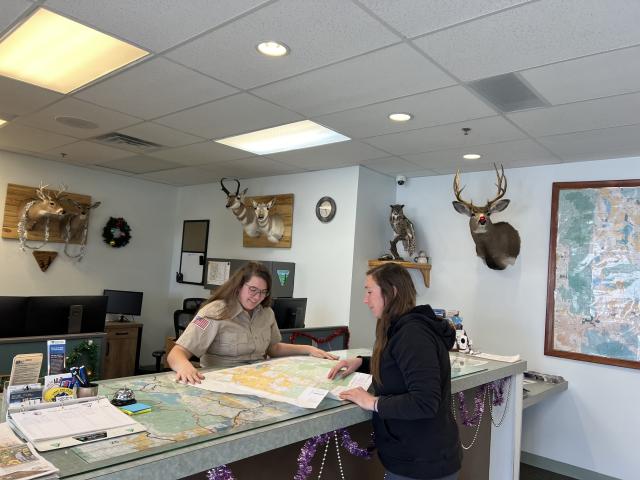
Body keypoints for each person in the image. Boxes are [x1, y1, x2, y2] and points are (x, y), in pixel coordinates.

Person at [328, 263, 461, 480]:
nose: (365, 299)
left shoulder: (412, 334)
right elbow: (398, 365)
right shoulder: (402, 328)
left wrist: (372, 402)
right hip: (417, 457)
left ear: (392, 292)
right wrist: (361, 362)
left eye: (370, 291)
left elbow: (425, 401)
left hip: (422, 463)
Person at [168, 261, 336, 384]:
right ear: (239, 286)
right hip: (222, 382)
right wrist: (185, 367)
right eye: (252, 290)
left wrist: (308, 349)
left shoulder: (267, 313)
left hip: (257, 380)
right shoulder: (214, 313)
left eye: (263, 292)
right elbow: (176, 354)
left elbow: (273, 348)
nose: (257, 297)